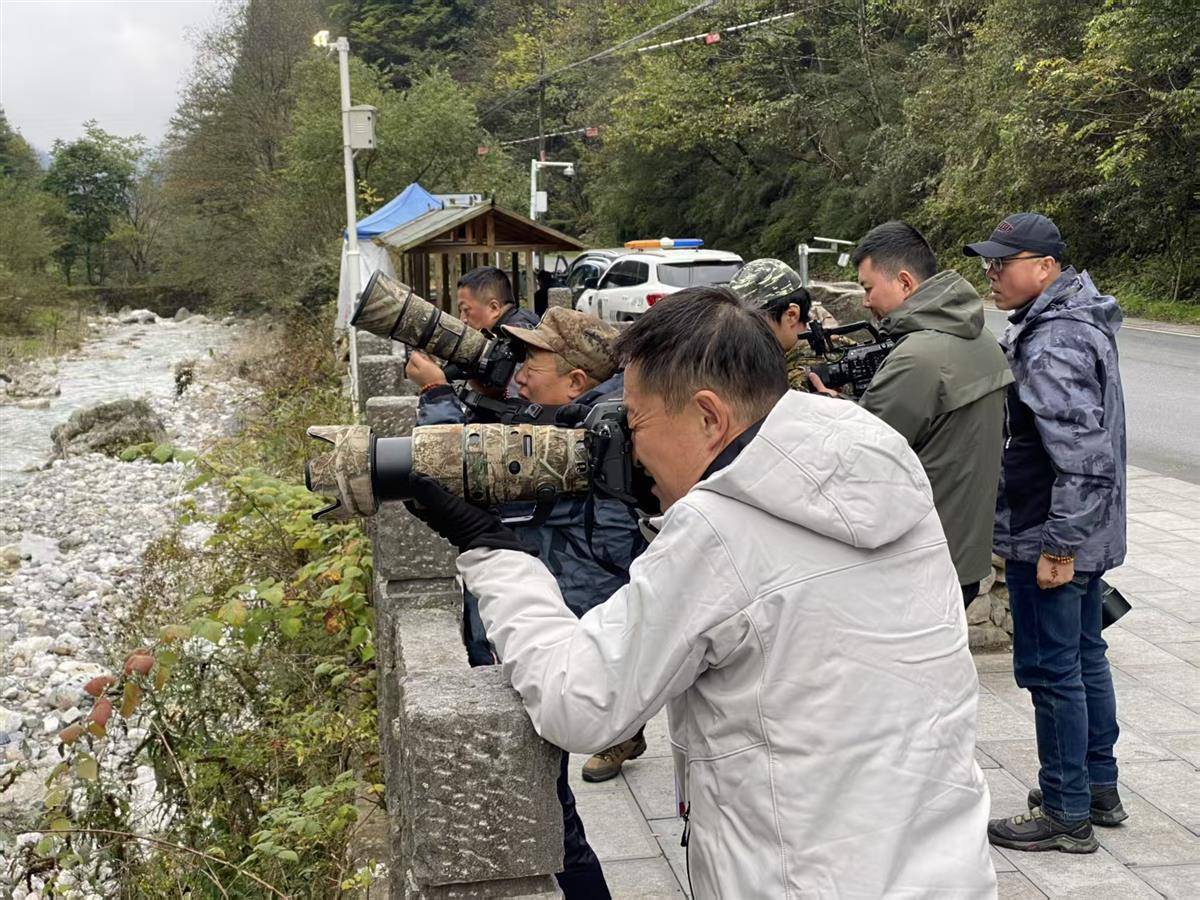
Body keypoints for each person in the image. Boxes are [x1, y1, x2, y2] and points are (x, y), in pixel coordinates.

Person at [403, 287, 996, 897]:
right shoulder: (878, 467)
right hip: (946, 871)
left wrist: (495, 553)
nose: (629, 448)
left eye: (635, 422)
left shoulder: (718, 532)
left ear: (709, 417)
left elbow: (578, 702)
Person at [417, 306, 645, 898]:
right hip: (549, 635)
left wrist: (438, 398)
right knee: (554, 815)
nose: (518, 375)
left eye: (532, 365)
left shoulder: (581, 446)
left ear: (576, 381)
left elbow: (443, 471)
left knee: (553, 820)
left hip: (552, 643)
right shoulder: (582, 426)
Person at [965, 213, 1128, 854]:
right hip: (1082, 527)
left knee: (1051, 671)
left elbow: (1082, 455)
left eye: (1001, 264)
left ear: (1045, 267)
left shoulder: (1053, 339)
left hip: (1051, 532)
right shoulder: (1075, 319)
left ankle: (1066, 812)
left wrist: (1058, 546)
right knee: (1084, 657)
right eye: (988, 263)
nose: (991, 275)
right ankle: (1097, 788)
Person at [810, 221, 1013, 605]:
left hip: (921, 565)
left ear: (904, 282)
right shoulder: (981, 339)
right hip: (965, 556)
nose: (865, 301)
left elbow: (861, 457)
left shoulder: (917, 358)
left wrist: (829, 411)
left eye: (868, 288)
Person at [404, 265, 539, 414]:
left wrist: (436, 385)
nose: (462, 319)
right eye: (460, 311)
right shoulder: (524, 327)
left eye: (466, 310)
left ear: (494, 308)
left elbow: (513, 408)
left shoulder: (515, 342)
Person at [728, 258, 841, 391]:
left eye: (753, 323)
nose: (743, 332)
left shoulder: (801, 378)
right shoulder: (780, 354)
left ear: (791, 315)